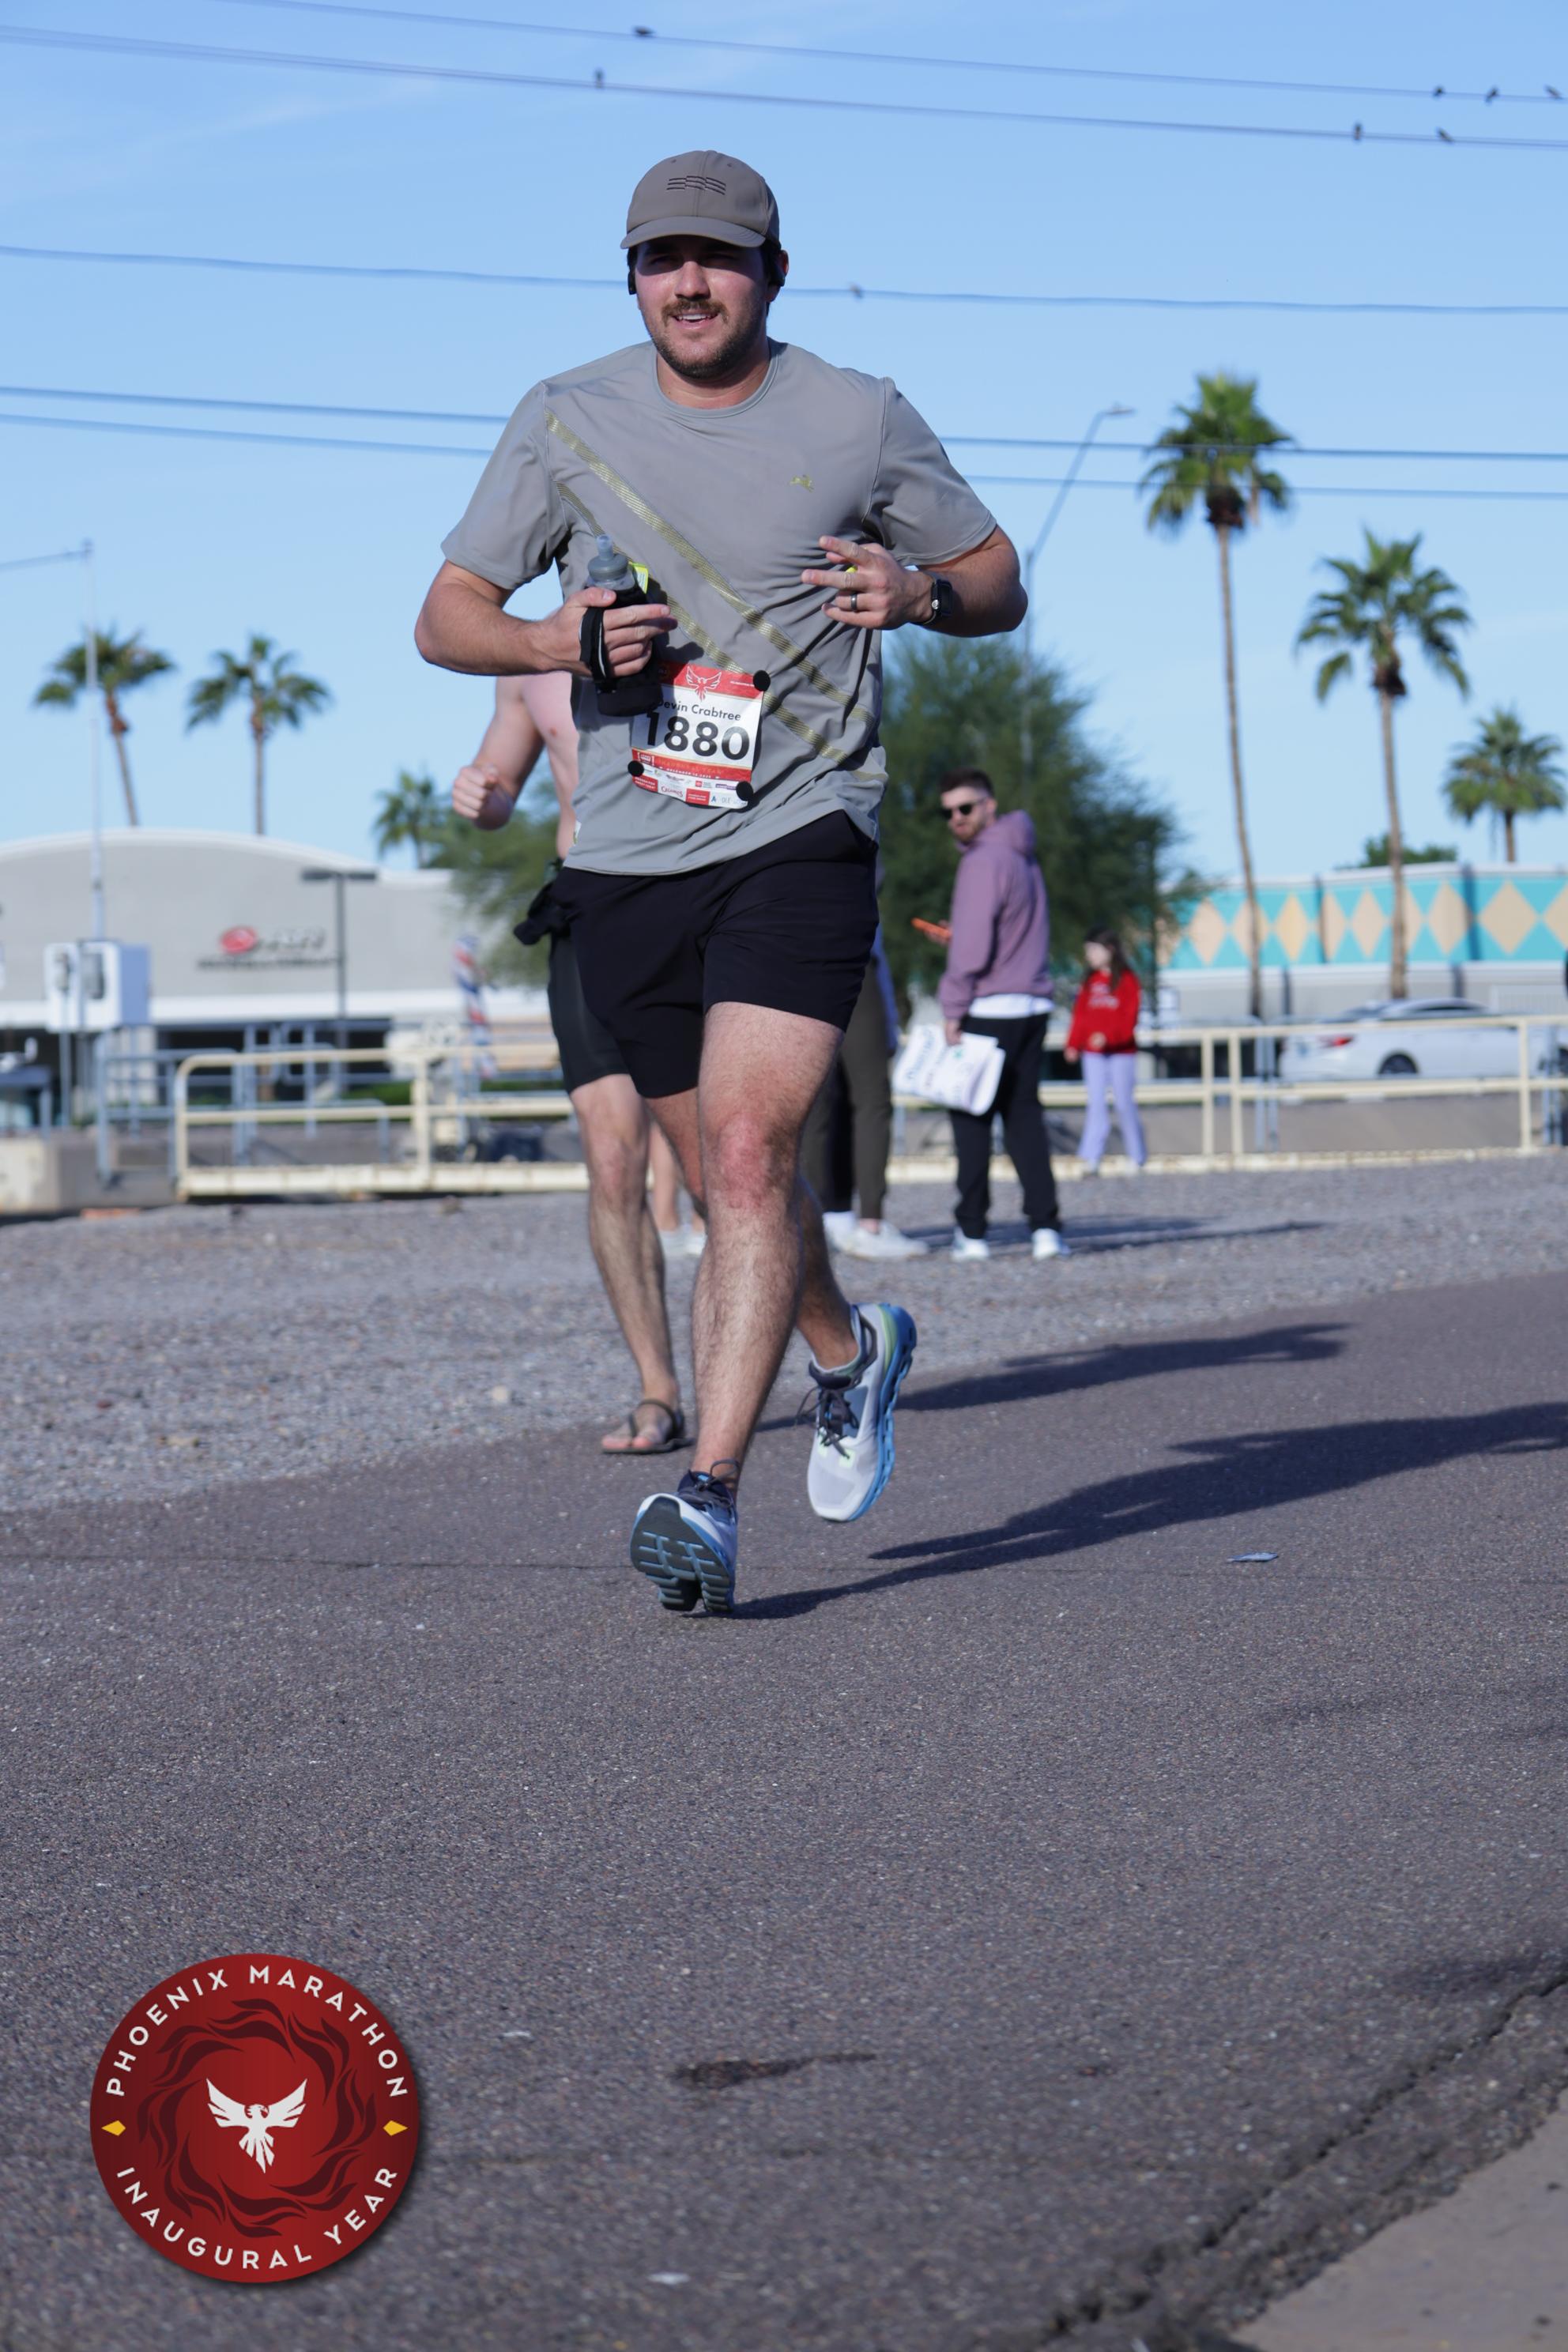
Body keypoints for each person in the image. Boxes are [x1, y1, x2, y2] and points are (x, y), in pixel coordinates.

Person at [416, 149, 1025, 1614]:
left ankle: (707, 1497)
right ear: (631, 277)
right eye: (659, 259)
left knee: (748, 1159)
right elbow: (445, 617)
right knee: (715, 1178)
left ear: (772, 272)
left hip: (801, 825)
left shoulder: (856, 415)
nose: (687, 283)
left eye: (717, 257)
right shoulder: (564, 417)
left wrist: (919, 593)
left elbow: (999, 577)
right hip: (625, 858)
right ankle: (849, 1352)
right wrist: (557, 642)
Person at [450, 671, 692, 1455]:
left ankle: (837, 1342)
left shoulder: (697, 623)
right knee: (612, 1158)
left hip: (700, 897)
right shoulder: (526, 661)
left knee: (736, 1154)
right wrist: (482, 796)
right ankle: (658, 1390)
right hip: (589, 903)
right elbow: (500, 790)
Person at [937, 768, 1067, 1264]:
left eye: (965, 808)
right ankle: (1046, 1229)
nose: (957, 818)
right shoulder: (1023, 855)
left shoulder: (982, 861)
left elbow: (972, 951)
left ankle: (972, 1234)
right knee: (1024, 1119)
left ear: (989, 805)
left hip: (989, 1009)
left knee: (971, 1121)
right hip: (1031, 1005)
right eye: (949, 812)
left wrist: (953, 1007)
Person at [802, 925, 925, 1261]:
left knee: (818, 1103)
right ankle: (871, 1225)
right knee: (871, 1101)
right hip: (850, 958)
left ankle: (819, 1223)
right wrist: (889, 1022)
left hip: (796, 963)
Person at [1065, 928, 1146, 1173]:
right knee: (1096, 1103)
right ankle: (1092, 1157)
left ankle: (1136, 1156)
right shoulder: (1089, 982)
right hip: (1093, 1054)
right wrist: (1073, 1043)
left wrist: (1109, 1037)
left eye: (1094, 950)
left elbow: (1130, 1019)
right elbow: (1080, 1015)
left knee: (1124, 1103)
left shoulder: (1128, 980)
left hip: (1121, 1053)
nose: (1089, 955)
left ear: (1110, 949)